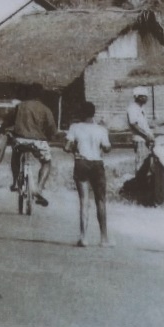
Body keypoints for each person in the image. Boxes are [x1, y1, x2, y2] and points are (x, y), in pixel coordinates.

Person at [64, 102, 113, 248]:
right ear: (93, 113)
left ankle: (84, 237)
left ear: (81, 113)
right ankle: (104, 238)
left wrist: (74, 149)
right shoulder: (101, 129)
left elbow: (67, 147)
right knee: (101, 200)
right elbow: (107, 148)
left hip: (82, 162)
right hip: (97, 163)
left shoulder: (75, 127)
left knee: (83, 200)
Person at [2, 99, 57, 207]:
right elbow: (52, 129)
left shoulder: (20, 106)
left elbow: (8, 121)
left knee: (16, 155)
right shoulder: (45, 109)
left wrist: (6, 130)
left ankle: (15, 182)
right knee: (46, 162)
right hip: (38, 141)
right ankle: (39, 189)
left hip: (20, 140)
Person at [127, 87, 155, 163]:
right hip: (140, 139)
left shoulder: (141, 108)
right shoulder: (132, 108)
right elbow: (134, 124)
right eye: (144, 96)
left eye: (146, 96)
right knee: (141, 162)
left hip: (145, 139)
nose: (146, 98)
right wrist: (146, 135)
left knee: (147, 162)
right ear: (138, 97)